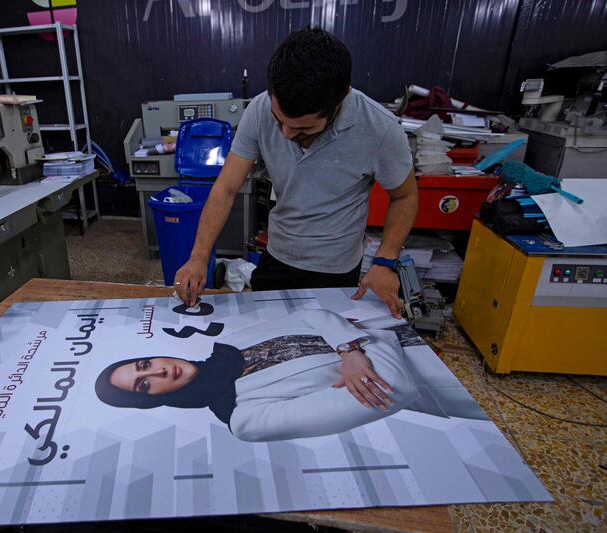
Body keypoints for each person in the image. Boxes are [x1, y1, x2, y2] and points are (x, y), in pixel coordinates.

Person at [173, 28, 418, 318]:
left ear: (339, 101)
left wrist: (385, 261)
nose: (287, 134)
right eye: (280, 121)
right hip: (277, 256)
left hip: (335, 271)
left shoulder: (381, 130)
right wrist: (199, 256)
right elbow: (226, 187)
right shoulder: (260, 109)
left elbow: (404, 196)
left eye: (303, 129)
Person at [95, 309, 420, 442]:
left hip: (400, 321)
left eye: (145, 364)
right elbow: (395, 390)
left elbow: (307, 313)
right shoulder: (243, 419)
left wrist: (349, 349)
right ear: (153, 400)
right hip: (426, 370)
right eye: (146, 383)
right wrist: (356, 339)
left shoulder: (228, 346)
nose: (161, 369)